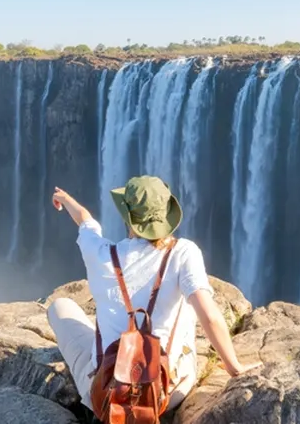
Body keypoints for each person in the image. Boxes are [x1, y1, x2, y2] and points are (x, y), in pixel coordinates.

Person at [46, 175, 260, 414]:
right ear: (166, 215)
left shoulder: (99, 253)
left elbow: (86, 222)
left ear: (127, 217)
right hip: (166, 393)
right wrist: (235, 369)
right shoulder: (183, 253)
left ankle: (100, 374)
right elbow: (209, 316)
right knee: (187, 304)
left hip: (110, 396)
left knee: (60, 307)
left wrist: (65, 199)